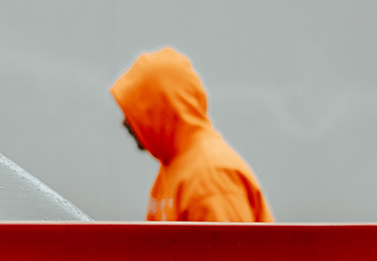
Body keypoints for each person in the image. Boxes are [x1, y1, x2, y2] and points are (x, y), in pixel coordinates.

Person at [111, 46, 270, 223]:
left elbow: (227, 242)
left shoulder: (209, 178)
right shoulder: (178, 167)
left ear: (159, 108)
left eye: (135, 112)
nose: (125, 123)